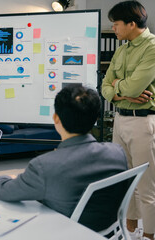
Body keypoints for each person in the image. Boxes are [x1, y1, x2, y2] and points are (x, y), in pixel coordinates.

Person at [0, 85, 128, 232]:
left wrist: (4, 178)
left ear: (56, 118)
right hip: (108, 232)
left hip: (64, 233)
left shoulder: (44, 166)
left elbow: (4, 191)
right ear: (95, 118)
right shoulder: (117, 153)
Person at [101, 1, 155, 239]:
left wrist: (117, 87)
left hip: (143, 122)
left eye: (116, 24)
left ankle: (150, 234)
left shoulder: (152, 47)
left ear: (132, 24)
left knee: (146, 185)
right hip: (120, 119)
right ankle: (130, 229)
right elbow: (104, 85)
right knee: (124, 177)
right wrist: (121, 91)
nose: (114, 29)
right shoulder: (122, 49)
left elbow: (134, 86)